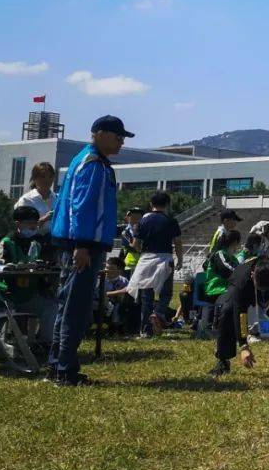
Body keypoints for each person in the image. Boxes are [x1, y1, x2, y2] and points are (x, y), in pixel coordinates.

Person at [47, 114, 130, 385]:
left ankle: (57, 365)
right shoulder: (92, 163)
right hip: (83, 246)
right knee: (76, 307)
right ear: (99, 133)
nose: (120, 142)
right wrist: (81, 245)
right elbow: (80, 206)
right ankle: (65, 369)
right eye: (117, 136)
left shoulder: (92, 161)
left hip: (81, 243)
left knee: (68, 305)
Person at [212, 255, 269, 377]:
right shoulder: (241, 281)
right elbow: (240, 313)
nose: (263, 290)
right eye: (260, 287)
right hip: (245, 291)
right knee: (227, 309)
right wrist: (243, 345)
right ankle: (223, 361)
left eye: (266, 288)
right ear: (252, 275)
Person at [0, 203, 56, 347]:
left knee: (51, 306)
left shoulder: (37, 243)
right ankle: (7, 342)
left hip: (30, 294)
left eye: (35, 223)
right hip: (9, 295)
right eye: (29, 223)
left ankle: (45, 343)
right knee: (7, 309)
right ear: (18, 224)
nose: (34, 226)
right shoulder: (7, 243)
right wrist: (5, 289)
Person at [128, 191, 183, 336]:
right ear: (167, 204)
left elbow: (135, 244)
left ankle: (146, 330)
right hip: (165, 258)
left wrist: (141, 250)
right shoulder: (171, 221)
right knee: (166, 292)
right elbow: (177, 242)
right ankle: (158, 313)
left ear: (151, 204)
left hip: (147, 258)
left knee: (147, 295)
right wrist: (180, 259)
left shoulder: (143, 221)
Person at [20, 162, 57, 230]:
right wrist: (44, 219)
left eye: (50, 176)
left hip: (54, 239)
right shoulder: (26, 200)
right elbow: (23, 228)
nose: (47, 180)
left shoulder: (57, 199)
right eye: (43, 176)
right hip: (33, 239)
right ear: (34, 178)